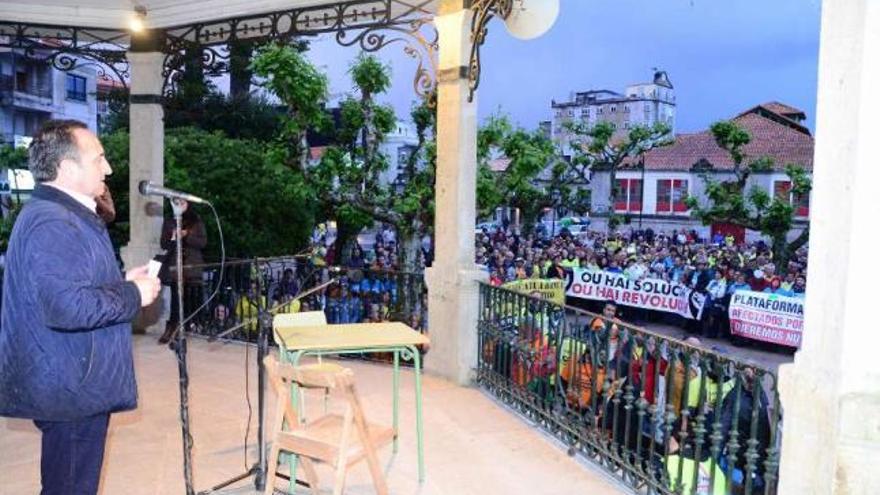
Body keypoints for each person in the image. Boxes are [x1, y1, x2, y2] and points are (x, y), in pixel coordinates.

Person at [0, 120, 160, 495]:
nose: (108, 168)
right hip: (71, 386)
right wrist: (132, 294)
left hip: (73, 380)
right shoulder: (53, 223)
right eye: (99, 159)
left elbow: (73, 284)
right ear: (68, 169)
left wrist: (123, 283)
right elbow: (65, 306)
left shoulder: (61, 214)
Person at [158, 198, 207, 344]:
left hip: (191, 266)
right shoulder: (169, 221)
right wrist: (174, 237)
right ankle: (172, 327)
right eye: (177, 203)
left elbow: (203, 242)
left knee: (189, 299)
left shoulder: (196, 221)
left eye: (183, 203)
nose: (180, 206)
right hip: (175, 266)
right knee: (176, 298)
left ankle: (187, 326)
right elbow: (164, 244)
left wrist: (187, 235)